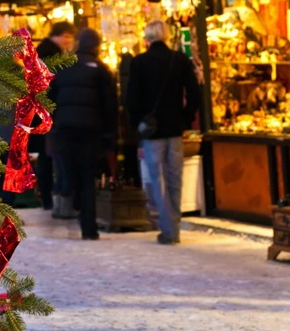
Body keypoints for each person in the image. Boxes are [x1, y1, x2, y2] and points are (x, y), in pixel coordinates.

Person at [125, 20, 200, 245]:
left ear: (147, 36)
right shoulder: (180, 60)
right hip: (175, 128)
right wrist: (185, 118)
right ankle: (173, 226)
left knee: (157, 180)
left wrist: (137, 124)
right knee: (175, 177)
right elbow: (194, 93)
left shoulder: (139, 62)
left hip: (151, 131)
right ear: (167, 35)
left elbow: (132, 99)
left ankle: (168, 228)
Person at [48, 28, 117, 240]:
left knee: (70, 170)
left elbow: (51, 98)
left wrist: (54, 126)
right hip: (90, 130)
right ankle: (89, 228)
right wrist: (110, 134)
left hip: (66, 129)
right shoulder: (101, 69)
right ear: (96, 46)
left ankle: (72, 195)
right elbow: (110, 105)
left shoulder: (64, 67)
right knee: (88, 176)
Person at [34, 22, 75, 213]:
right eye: (67, 36)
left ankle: (48, 197)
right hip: (49, 110)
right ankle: (52, 196)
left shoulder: (43, 49)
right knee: (51, 155)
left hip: (42, 109)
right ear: (58, 35)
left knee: (47, 154)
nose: (68, 41)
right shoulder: (51, 53)